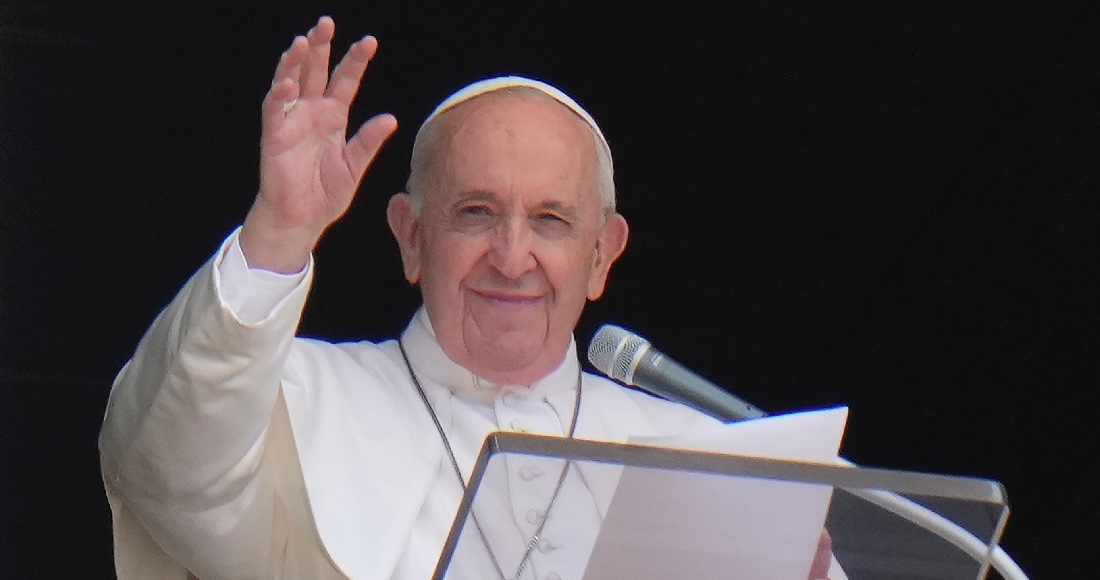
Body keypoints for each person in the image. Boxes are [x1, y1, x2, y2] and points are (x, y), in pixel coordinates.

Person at [99, 16, 841, 579]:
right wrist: (281, 230)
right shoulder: (295, 400)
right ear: (411, 238)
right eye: (476, 213)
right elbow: (166, 465)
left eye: (550, 220)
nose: (513, 257)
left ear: (600, 256)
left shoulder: (701, 458)